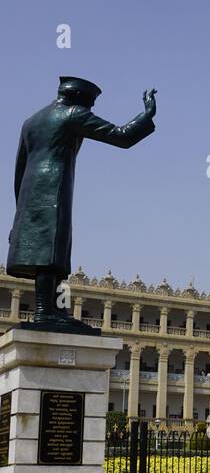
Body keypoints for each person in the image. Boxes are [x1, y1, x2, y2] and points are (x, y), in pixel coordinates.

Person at [7, 76, 156, 331]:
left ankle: (51, 309)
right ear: (79, 98)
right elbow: (120, 136)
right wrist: (147, 115)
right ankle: (46, 311)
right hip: (54, 185)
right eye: (91, 105)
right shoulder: (73, 113)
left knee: (46, 246)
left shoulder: (31, 121)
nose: (91, 111)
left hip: (29, 190)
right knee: (51, 248)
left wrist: (19, 207)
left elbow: (19, 169)